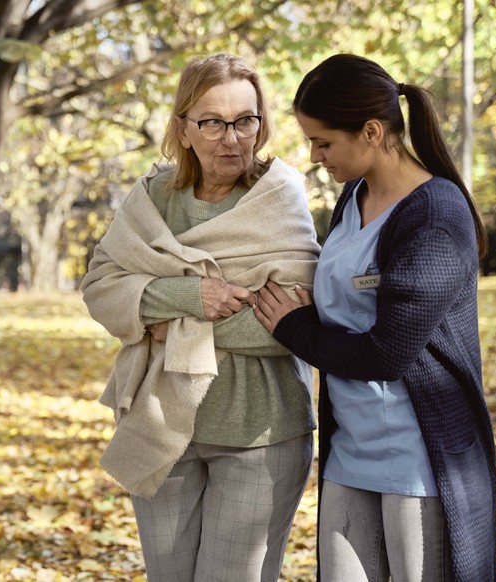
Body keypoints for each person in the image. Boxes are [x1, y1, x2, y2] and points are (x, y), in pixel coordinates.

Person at [252, 54, 496, 582]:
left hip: (419, 464)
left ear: (370, 131)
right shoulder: (354, 195)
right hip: (349, 455)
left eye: (323, 142)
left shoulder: (434, 217)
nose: (314, 156)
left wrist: (293, 328)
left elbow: (385, 354)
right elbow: (344, 300)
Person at [80, 54, 321, 581]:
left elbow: (291, 318)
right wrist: (194, 298)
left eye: (245, 120)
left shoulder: (278, 198)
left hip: (261, 432)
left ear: (261, 123)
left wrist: (158, 317)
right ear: (183, 129)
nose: (231, 138)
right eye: (211, 121)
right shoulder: (152, 199)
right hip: (161, 425)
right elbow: (100, 286)